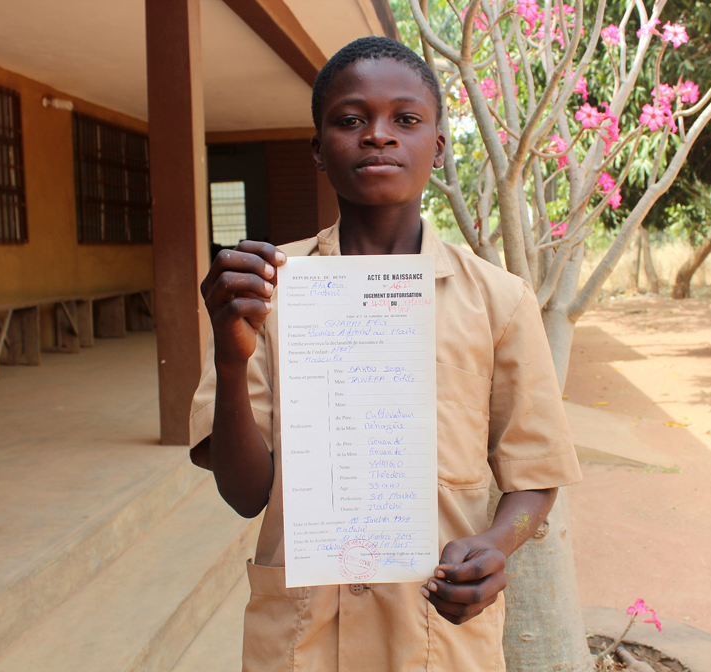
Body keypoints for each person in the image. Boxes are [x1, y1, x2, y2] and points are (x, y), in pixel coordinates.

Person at [189, 36, 581, 672]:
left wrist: (496, 545)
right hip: (303, 638)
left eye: (405, 119)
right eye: (350, 120)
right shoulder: (266, 293)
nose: (377, 136)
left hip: (434, 637)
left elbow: (534, 474)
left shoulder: (499, 301)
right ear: (318, 150)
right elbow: (244, 492)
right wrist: (231, 362)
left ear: (439, 145)